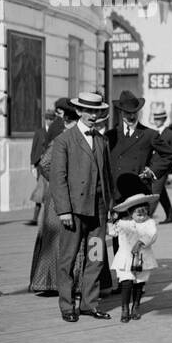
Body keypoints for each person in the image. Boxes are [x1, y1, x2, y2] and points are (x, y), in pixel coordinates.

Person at [49, 91, 117, 322]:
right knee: (67, 259)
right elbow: (58, 178)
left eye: (96, 111)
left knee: (96, 257)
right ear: (78, 111)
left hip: (98, 212)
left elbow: (107, 176)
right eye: (88, 110)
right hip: (75, 212)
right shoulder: (63, 141)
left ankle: (89, 304)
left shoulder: (102, 140)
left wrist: (111, 208)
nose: (92, 115)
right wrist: (64, 210)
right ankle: (67, 306)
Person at [29, 98, 80, 294]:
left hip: (71, 197)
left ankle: (68, 282)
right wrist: (61, 182)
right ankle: (50, 282)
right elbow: (45, 163)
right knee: (55, 237)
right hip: (58, 198)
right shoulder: (61, 137)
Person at [107, 90, 172, 207]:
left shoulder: (149, 134)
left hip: (139, 190)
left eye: (134, 112)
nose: (132, 116)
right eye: (128, 113)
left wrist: (152, 171)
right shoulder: (110, 136)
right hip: (116, 192)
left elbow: (170, 155)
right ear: (121, 112)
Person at [111, 191, 159, 322]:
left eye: (144, 213)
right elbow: (112, 232)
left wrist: (140, 242)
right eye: (139, 214)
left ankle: (136, 305)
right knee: (126, 282)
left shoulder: (150, 223)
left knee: (139, 283)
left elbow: (152, 235)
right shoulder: (123, 223)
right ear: (130, 212)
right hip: (125, 258)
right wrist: (112, 221)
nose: (142, 216)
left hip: (143, 258)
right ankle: (124, 308)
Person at [147, 104, 172, 222]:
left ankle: (146, 217)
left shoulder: (170, 134)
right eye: (155, 118)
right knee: (162, 193)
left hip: (164, 168)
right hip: (152, 167)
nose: (157, 121)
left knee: (155, 193)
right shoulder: (151, 132)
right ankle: (170, 215)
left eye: (159, 119)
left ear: (164, 119)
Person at [25, 109, 55, 226]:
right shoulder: (39, 132)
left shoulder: (55, 131)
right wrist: (32, 164)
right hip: (40, 165)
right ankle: (35, 218)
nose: (49, 121)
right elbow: (34, 148)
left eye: (51, 118)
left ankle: (47, 218)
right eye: (47, 118)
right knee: (40, 191)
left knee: (47, 192)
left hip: (51, 166)